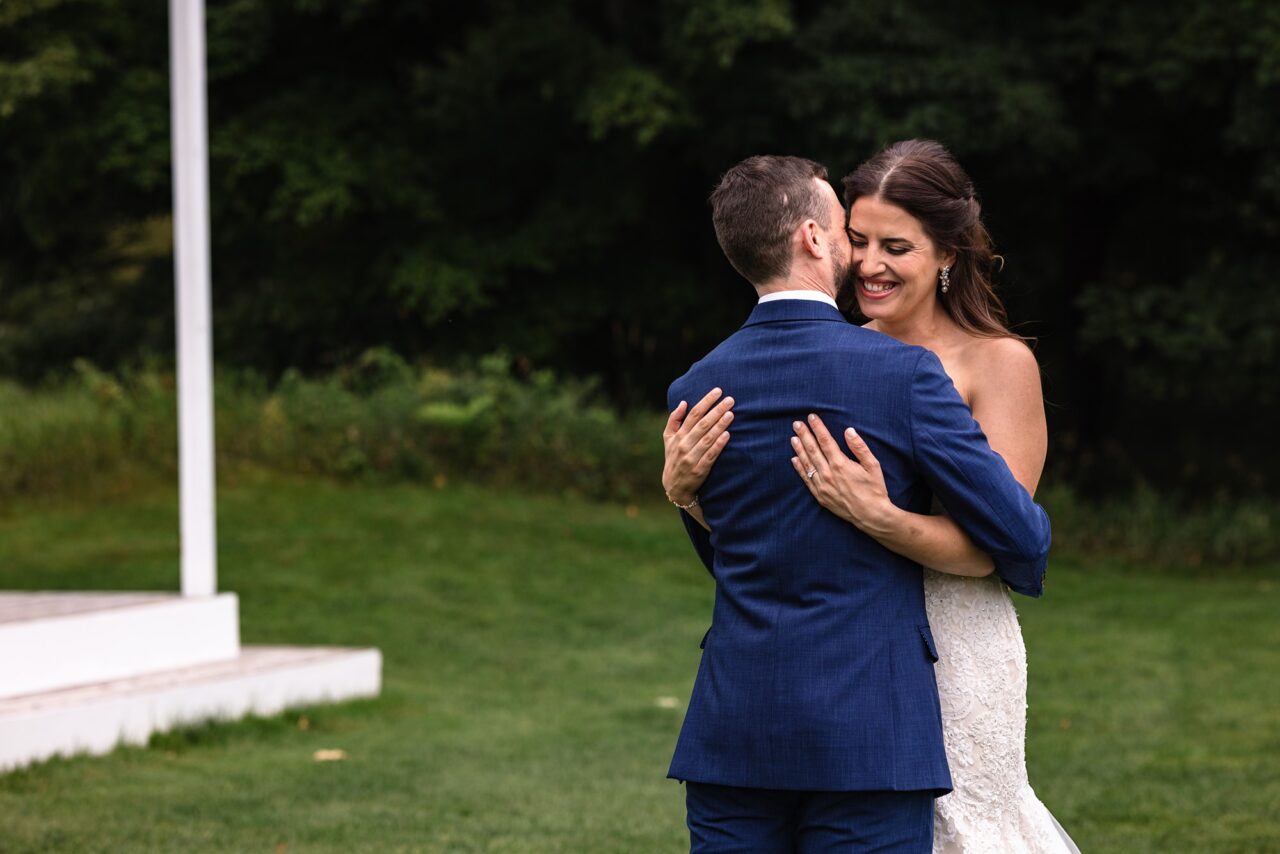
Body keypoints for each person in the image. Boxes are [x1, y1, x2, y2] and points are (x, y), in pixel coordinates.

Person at [664, 140, 1080, 852]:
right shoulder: (865, 363)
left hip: (950, 648)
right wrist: (684, 495)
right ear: (821, 238)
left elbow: (1008, 544)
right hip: (862, 690)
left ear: (947, 254)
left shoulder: (984, 364)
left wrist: (880, 515)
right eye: (858, 240)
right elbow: (768, 547)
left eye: (896, 245)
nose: (869, 263)